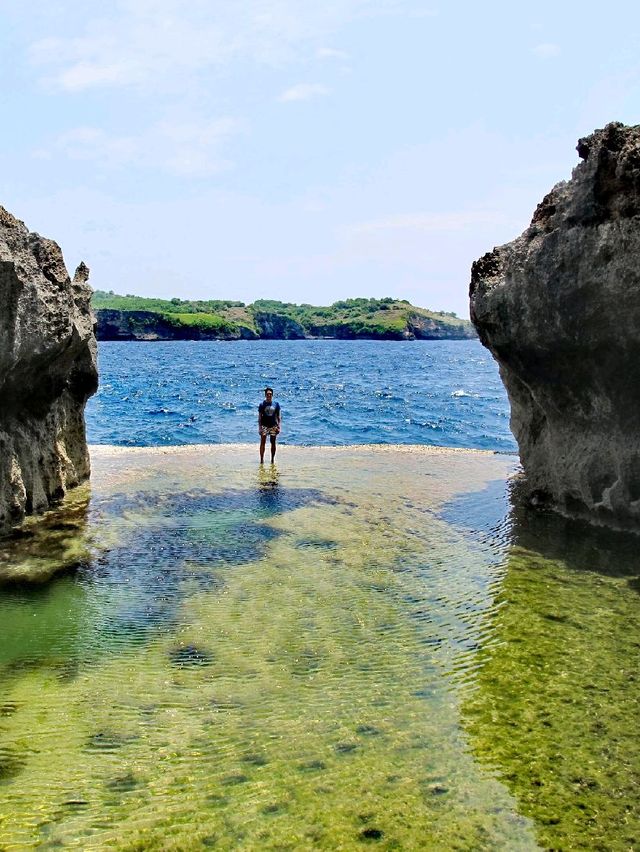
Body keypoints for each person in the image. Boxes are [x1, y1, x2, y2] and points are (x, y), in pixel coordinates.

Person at [258, 387, 281, 463]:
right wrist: (260, 428)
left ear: (272, 395)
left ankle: (272, 460)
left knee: (273, 442)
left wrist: (279, 427)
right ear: (265, 395)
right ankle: (261, 460)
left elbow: (278, 417)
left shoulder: (276, 404)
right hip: (264, 425)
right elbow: (259, 417)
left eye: (270, 394)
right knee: (263, 442)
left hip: (273, 426)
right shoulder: (262, 404)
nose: (269, 395)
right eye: (267, 394)